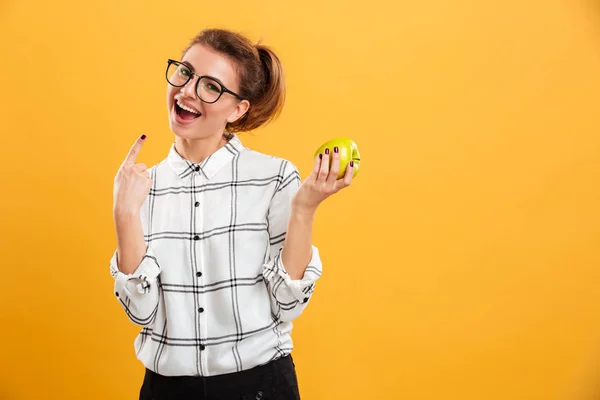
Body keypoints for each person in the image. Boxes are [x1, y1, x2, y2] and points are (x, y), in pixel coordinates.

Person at [109, 28, 355, 400]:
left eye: (211, 86)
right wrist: (125, 213)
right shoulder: (141, 187)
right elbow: (141, 315)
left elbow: (287, 305)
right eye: (185, 72)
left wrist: (304, 209)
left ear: (238, 108)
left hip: (260, 387)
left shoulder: (273, 178)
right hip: (167, 390)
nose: (188, 91)